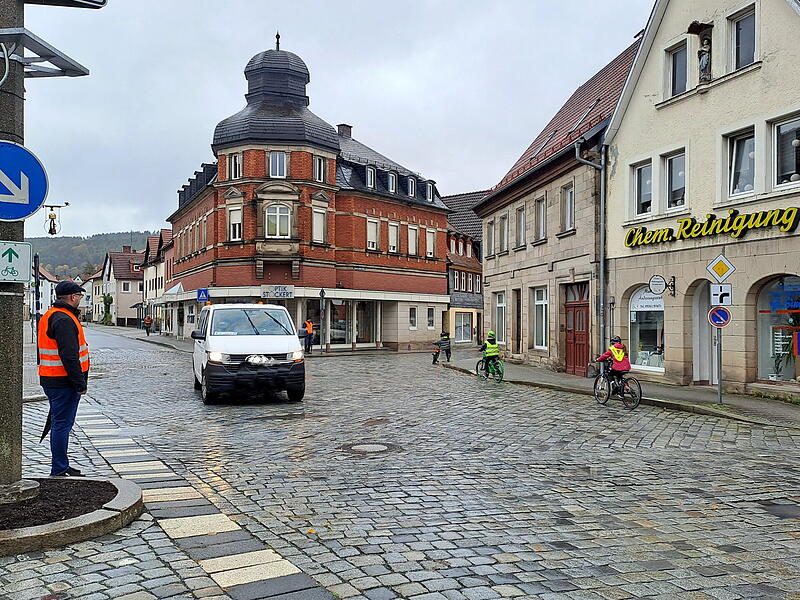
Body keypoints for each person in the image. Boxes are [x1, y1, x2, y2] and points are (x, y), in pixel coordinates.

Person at [39, 281, 90, 477]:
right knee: (61, 424)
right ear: (72, 297)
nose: (79, 299)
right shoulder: (64, 319)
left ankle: (62, 465)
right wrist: (79, 383)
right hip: (63, 381)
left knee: (59, 423)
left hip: (53, 378)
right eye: (79, 296)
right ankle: (59, 469)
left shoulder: (50, 315)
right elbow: (69, 355)